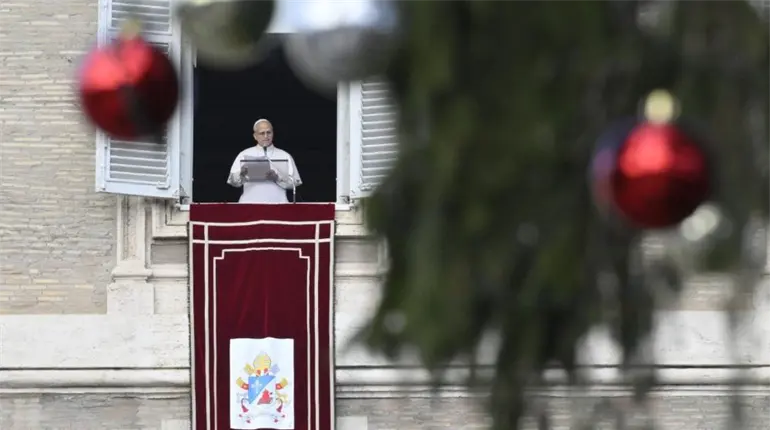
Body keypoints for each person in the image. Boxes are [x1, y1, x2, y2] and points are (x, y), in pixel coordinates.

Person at [227, 119, 302, 203]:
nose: (266, 136)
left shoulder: (285, 155)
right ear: (255, 136)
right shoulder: (243, 155)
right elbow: (232, 182)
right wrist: (241, 174)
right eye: (262, 133)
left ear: (273, 133)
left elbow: (296, 183)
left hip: (278, 204)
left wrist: (277, 178)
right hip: (249, 204)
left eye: (269, 132)